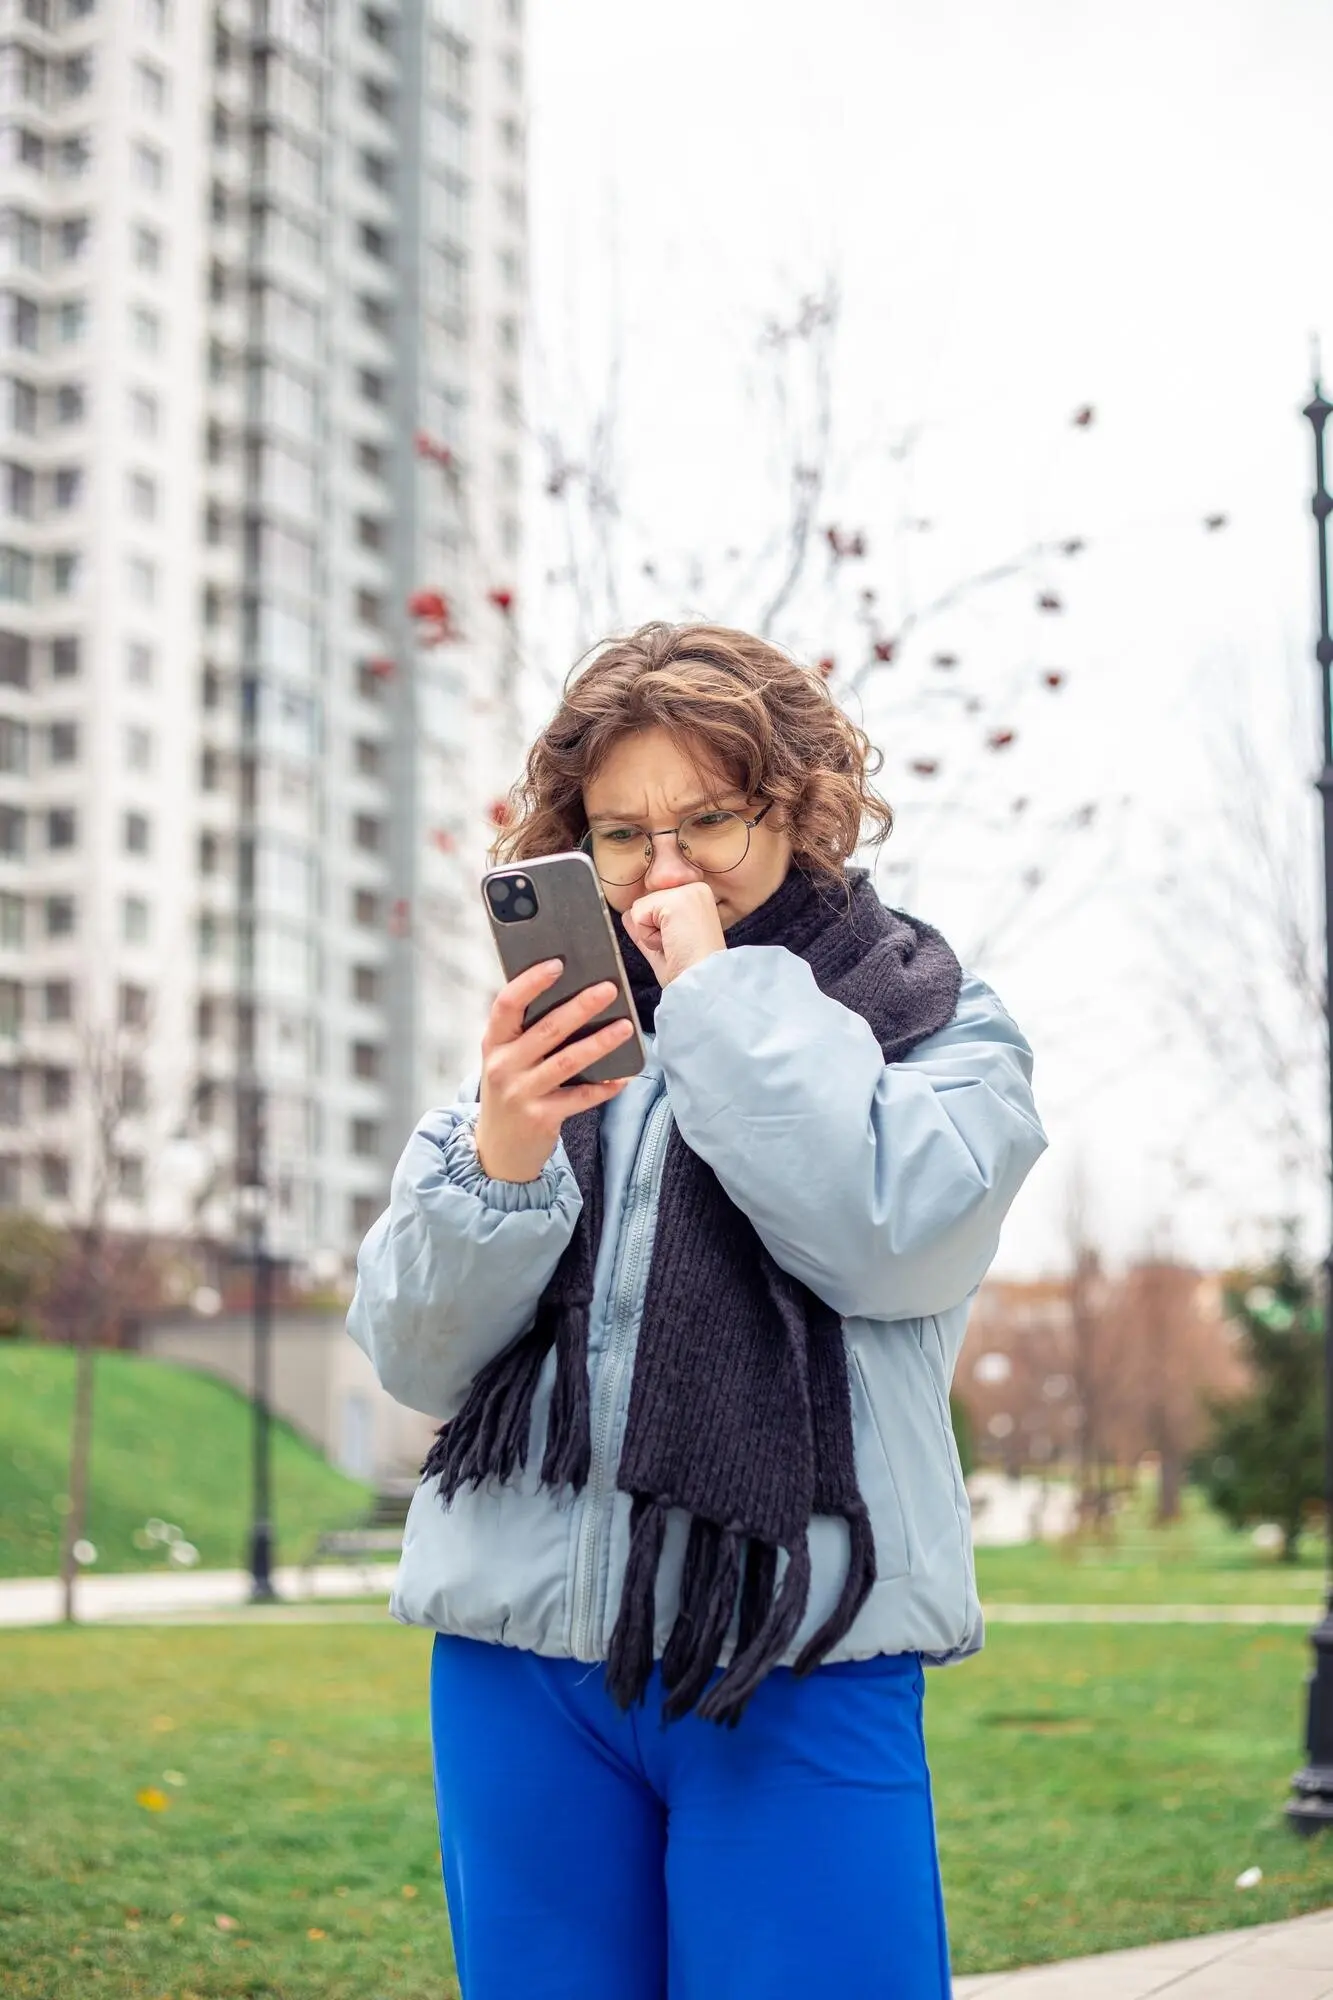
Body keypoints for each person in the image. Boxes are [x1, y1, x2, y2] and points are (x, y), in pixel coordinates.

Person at [348, 621, 1047, 2000]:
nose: (663, 870)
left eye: (708, 821)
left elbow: (886, 1235)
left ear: (800, 807)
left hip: (794, 1655)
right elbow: (417, 1357)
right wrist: (499, 1152)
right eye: (621, 835)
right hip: (520, 1666)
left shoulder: (941, 1025)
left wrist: (717, 995)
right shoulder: (552, 1045)